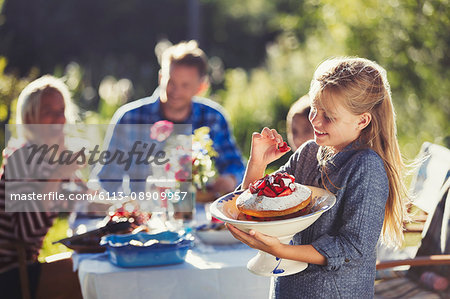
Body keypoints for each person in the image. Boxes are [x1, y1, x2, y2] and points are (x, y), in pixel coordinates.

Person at [227, 57, 409, 298]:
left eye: (329, 117)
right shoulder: (309, 153)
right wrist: (258, 162)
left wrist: (281, 250)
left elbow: (352, 248)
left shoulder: (367, 167)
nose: (315, 120)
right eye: (315, 108)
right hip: (289, 288)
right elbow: (258, 207)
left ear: (362, 120)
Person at [95, 40, 245, 201]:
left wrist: (230, 179)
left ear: (201, 87)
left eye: (185, 85)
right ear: (161, 77)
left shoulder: (213, 117)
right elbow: (106, 179)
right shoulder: (129, 118)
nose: (176, 91)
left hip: (198, 214)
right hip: (144, 216)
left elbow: (235, 165)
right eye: (171, 82)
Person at [0, 75, 83, 299]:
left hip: (24, 266)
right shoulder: (21, 160)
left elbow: (85, 201)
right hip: (9, 272)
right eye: (48, 111)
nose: (58, 118)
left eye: (61, 110)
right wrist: (59, 175)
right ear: (29, 118)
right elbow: (26, 234)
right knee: (84, 272)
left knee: (93, 264)